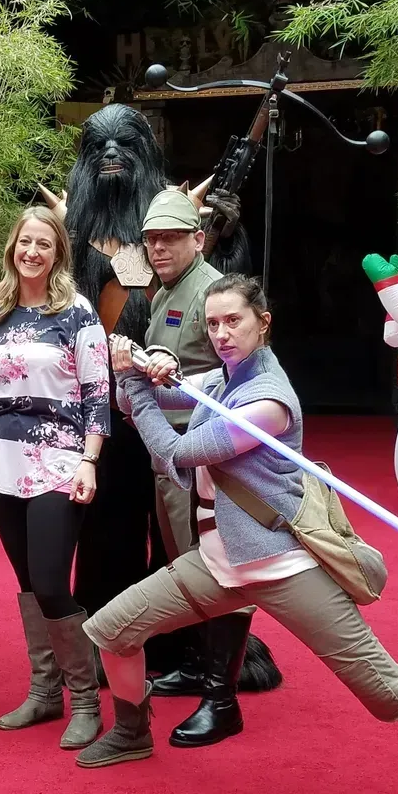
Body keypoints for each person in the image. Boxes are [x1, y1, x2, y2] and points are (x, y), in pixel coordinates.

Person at [74, 274, 398, 794]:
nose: (221, 334)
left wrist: (137, 392)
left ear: (262, 322)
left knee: (386, 689)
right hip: (217, 566)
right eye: (212, 324)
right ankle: (132, 732)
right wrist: (146, 365)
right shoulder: (225, 377)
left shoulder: (267, 399)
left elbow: (175, 453)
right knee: (113, 630)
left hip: (282, 567)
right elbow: (167, 397)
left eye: (232, 321)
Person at [135, 189, 281, 746]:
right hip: (173, 458)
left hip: (204, 464)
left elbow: (234, 378)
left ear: (198, 238)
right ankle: (203, 669)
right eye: (151, 238)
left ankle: (222, 696)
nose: (158, 247)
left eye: (170, 237)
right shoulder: (170, 291)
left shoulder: (209, 295)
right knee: (191, 566)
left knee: (217, 570)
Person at [0, 206, 110, 749]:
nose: (32, 252)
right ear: (12, 248)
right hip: (5, 461)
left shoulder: (77, 313)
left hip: (61, 460)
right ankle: (43, 691)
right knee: (30, 584)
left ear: (58, 253)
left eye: (44, 244)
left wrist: (89, 460)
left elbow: (98, 394)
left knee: (54, 581)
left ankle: (85, 700)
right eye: (24, 242)